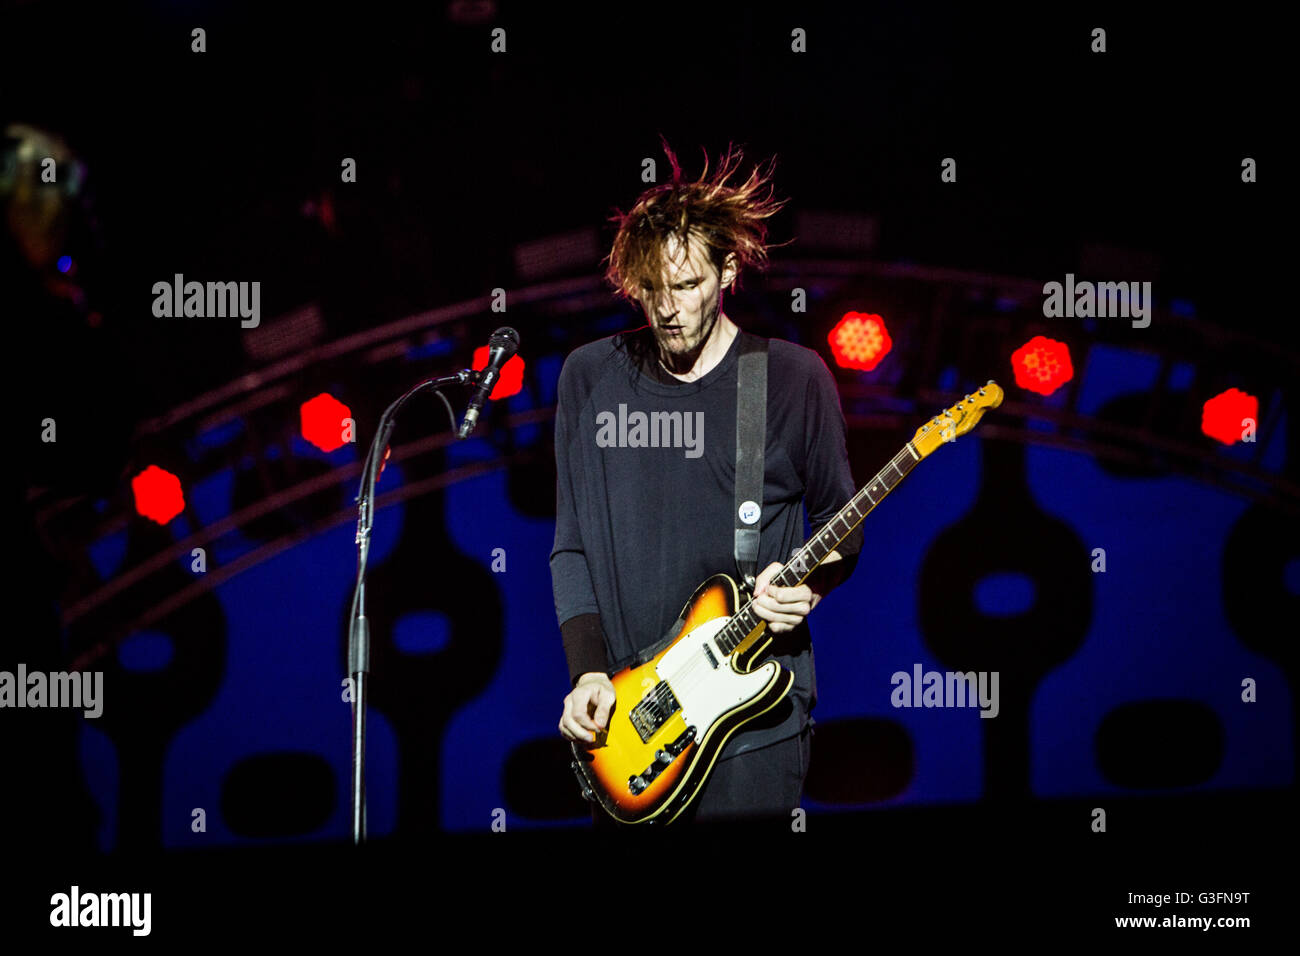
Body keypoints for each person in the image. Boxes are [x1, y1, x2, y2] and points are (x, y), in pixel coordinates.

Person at [551, 142, 863, 826]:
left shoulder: (790, 379)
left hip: (753, 718)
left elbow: (844, 522)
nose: (668, 309)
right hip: (635, 726)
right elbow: (570, 546)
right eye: (652, 289)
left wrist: (807, 586)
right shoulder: (589, 377)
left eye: (687, 286)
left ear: (727, 272)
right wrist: (588, 673)